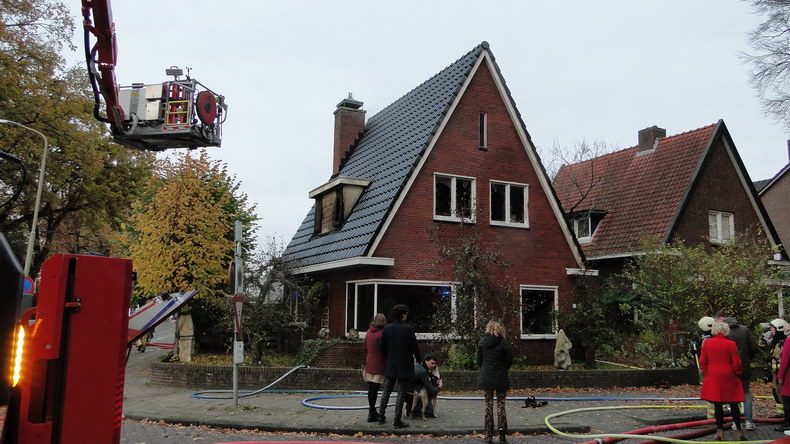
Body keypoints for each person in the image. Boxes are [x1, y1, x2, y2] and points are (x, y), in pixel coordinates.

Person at [700, 321, 746, 441]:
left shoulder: (707, 343)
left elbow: (703, 361)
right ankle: (739, 430)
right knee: (734, 403)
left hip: (713, 376)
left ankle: (720, 431)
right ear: (726, 331)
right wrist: (737, 373)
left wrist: (706, 373)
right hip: (729, 376)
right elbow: (736, 362)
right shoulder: (731, 344)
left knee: (717, 405)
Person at [377, 304, 420, 428]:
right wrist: (419, 359)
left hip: (391, 364)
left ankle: (381, 415)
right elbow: (414, 347)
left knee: (386, 390)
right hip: (404, 365)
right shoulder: (408, 329)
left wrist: (389, 357)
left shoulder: (387, 329)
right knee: (401, 392)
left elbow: (382, 347)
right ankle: (397, 419)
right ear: (404, 315)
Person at [714, 311, 758, 431]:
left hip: (729, 369)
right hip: (744, 367)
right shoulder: (744, 330)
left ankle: (736, 422)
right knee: (746, 392)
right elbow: (754, 347)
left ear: (721, 319)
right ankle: (749, 421)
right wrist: (746, 358)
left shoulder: (723, 332)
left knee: (732, 395)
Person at [477, 319, 513, 444]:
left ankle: (488, 436)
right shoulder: (503, 342)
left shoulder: (482, 341)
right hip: (501, 377)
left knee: (488, 405)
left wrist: (485, 370)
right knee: (501, 405)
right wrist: (503, 369)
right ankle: (502, 434)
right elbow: (509, 360)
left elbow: (479, 360)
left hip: (487, 378)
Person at [363, 313, 387, 422]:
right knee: (375, 388)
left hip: (370, 362)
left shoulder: (368, 332)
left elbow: (365, 347)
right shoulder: (381, 334)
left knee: (371, 388)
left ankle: (371, 411)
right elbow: (384, 349)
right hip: (379, 363)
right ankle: (372, 412)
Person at [404, 353, 443, 419]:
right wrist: (439, 387)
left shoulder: (418, 365)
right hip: (412, 394)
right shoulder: (423, 372)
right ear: (426, 361)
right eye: (432, 363)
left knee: (427, 405)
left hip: (406, 392)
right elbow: (431, 391)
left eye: (435, 364)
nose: (434, 365)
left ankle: (410, 408)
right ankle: (411, 411)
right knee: (429, 412)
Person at [771, 319, 789, 423]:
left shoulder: (785, 342)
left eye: (772, 328)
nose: (771, 330)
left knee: (783, 395)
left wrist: (780, 374)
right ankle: (781, 414)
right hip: (775, 372)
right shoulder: (776, 342)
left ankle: (786, 418)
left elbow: (784, 360)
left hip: (782, 373)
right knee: (776, 392)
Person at [775, 320, 790, 436]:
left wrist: (780, 376)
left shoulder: (789, 341)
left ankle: (788, 423)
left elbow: (784, 361)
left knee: (787, 399)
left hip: (788, 376)